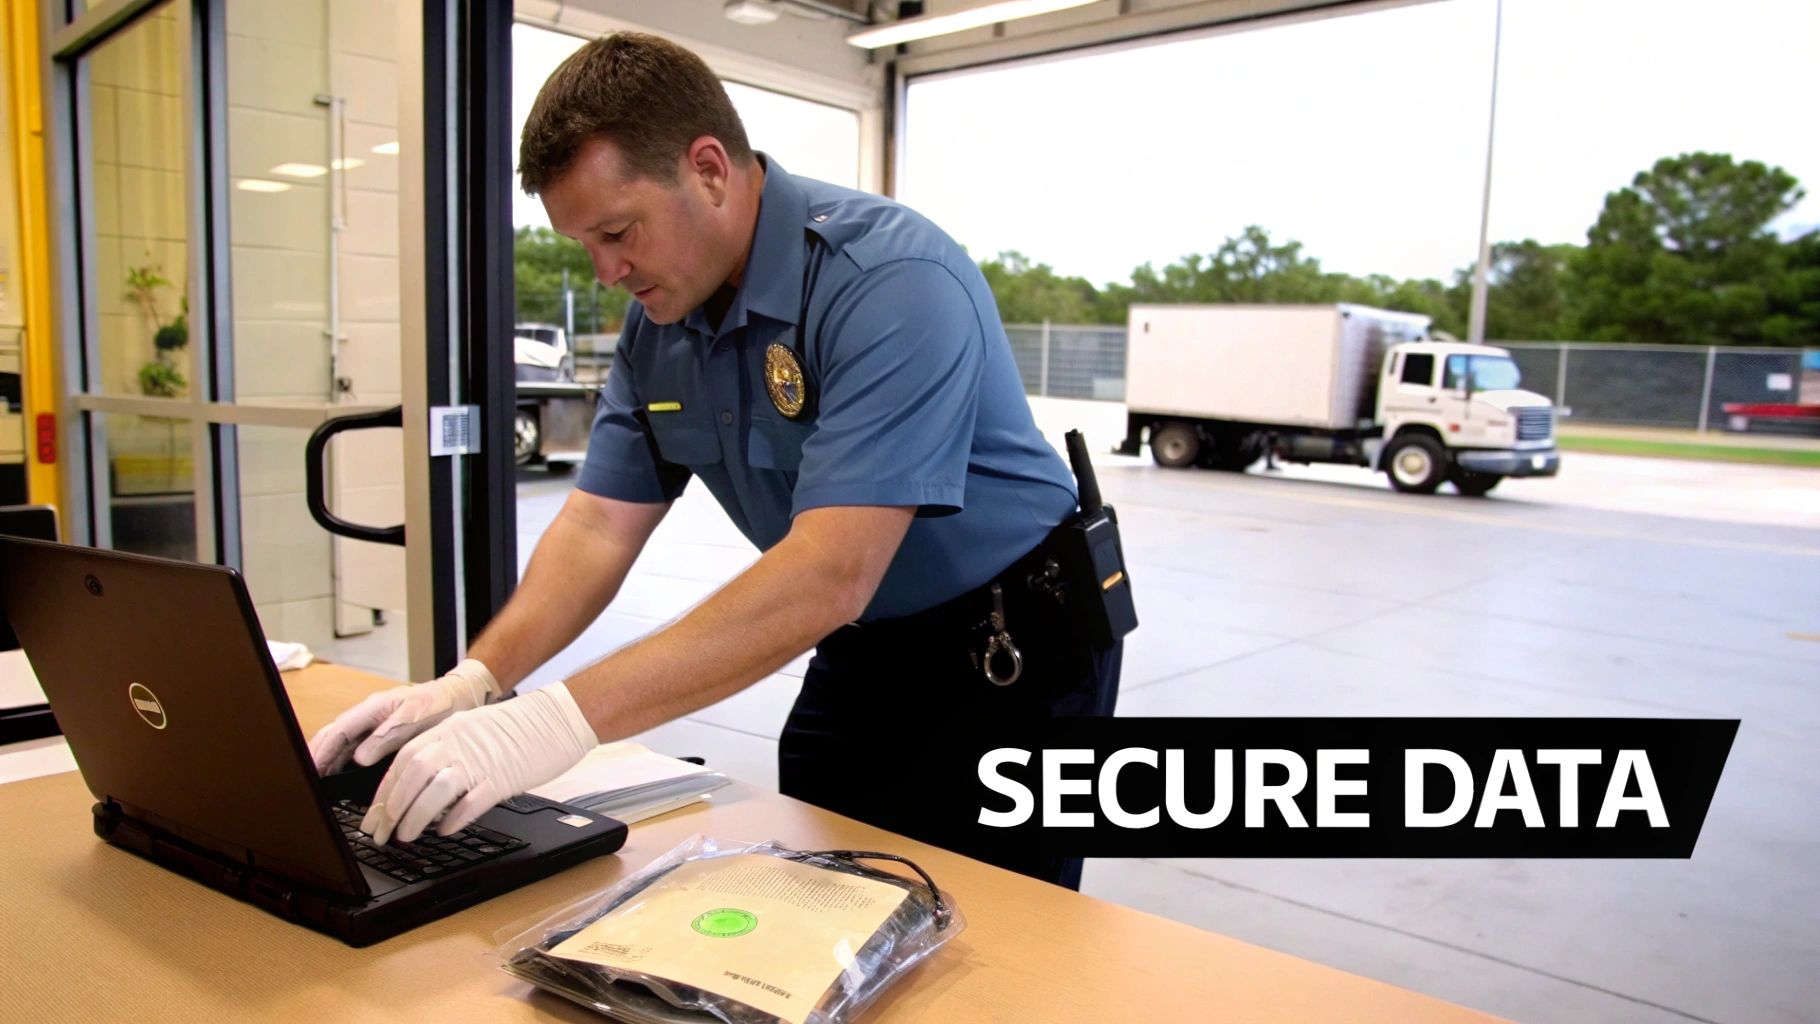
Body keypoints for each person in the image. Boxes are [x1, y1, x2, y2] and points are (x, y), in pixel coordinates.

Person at [307, 32, 1123, 889]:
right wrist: (476, 681)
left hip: (1013, 644)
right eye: (585, 244)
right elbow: (595, 526)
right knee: (834, 890)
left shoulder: (890, 281)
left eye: (618, 232)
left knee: (995, 926)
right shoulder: (660, 323)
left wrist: (553, 723)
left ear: (708, 168)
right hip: (858, 635)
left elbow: (828, 570)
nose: (607, 270)